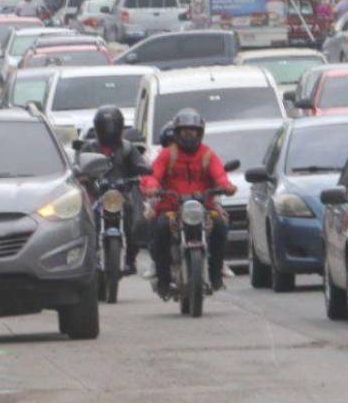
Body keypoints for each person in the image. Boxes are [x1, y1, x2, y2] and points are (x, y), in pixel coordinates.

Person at [140, 108, 235, 296]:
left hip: (204, 209)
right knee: (159, 228)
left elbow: (220, 175)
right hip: (172, 208)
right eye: (185, 131)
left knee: (220, 225)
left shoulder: (208, 154)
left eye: (193, 131)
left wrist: (226, 186)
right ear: (177, 133)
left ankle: (216, 274)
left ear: (200, 133)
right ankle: (164, 279)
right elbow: (152, 175)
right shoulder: (168, 154)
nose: (189, 135)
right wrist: (151, 186)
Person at [80, 106, 149, 275]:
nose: (108, 130)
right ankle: (91, 256)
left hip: (121, 194)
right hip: (96, 195)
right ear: (97, 127)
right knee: (88, 220)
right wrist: (83, 176)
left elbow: (140, 164)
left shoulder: (127, 148)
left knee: (135, 218)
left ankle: (131, 259)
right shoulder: (89, 149)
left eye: (112, 126)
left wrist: (142, 170)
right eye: (104, 126)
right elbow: (78, 167)